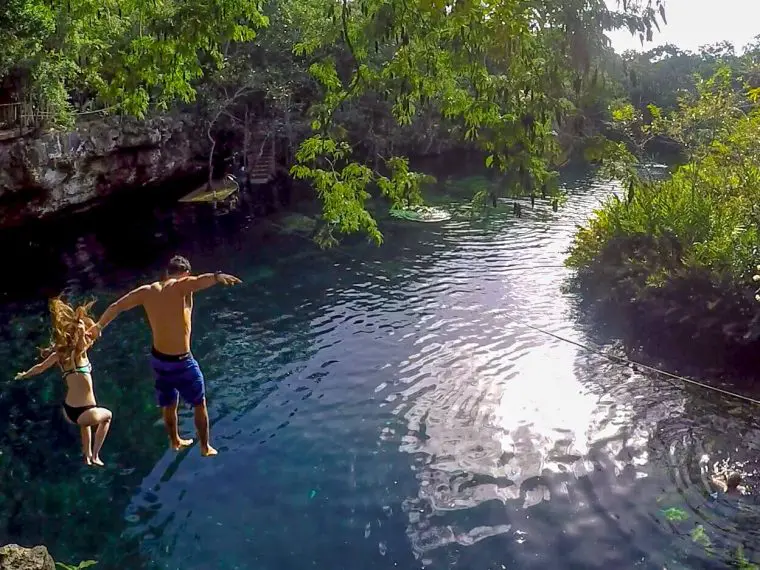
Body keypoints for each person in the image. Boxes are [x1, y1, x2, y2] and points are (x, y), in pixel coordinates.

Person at [92, 255, 241, 457]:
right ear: (185, 274)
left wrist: (98, 326)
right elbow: (199, 281)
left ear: (167, 273)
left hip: (159, 360)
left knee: (169, 403)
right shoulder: (180, 286)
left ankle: (175, 441)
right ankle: (205, 447)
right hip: (182, 362)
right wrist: (217, 276)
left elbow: (116, 306)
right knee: (199, 403)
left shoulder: (147, 291)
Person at [15, 298, 113, 467]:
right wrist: (84, 331)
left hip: (72, 410)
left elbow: (40, 367)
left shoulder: (61, 356)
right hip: (83, 413)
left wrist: (25, 374)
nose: (87, 340)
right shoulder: (76, 356)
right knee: (108, 417)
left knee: (85, 425)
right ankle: (96, 455)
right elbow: (83, 341)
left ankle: (87, 456)